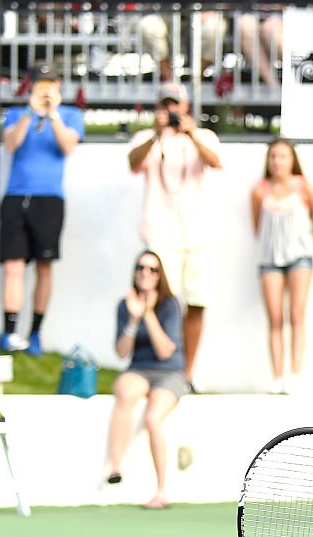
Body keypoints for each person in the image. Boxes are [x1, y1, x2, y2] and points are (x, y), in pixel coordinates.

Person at [127, 81, 222, 391]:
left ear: (185, 107)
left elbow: (215, 162)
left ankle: (188, 372)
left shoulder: (201, 136)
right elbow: (133, 163)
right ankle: (158, 369)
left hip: (196, 234)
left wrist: (190, 133)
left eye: (175, 105)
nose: (170, 110)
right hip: (160, 233)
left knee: (196, 302)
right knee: (159, 302)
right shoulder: (147, 137)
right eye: (165, 105)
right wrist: (157, 134)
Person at [0, 61, 84, 356]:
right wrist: (31, 113)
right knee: (13, 265)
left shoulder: (71, 115)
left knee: (44, 267)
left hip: (49, 200)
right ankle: (9, 334)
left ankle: (34, 333)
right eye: (40, 83)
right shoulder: (16, 114)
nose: (46, 88)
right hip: (15, 196)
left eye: (51, 83)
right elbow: (10, 144)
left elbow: (68, 146)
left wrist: (53, 114)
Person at [104, 251, 187, 510]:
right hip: (139, 368)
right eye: (141, 267)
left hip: (169, 371)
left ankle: (161, 490)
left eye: (152, 269)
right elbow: (121, 351)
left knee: (153, 418)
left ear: (159, 275)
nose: (145, 273)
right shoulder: (125, 305)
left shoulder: (170, 304)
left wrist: (148, 314)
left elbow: (165, 351)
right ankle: (115, 467)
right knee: (125, 393)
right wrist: (133, 317)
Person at [251, 139, 313, 394]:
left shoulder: (304, 188)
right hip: (270, 259)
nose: (277, 162)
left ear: (292, 159)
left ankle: (294, 373)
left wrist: (307, 249)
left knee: (297, 314)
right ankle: (278, 375)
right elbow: (258, 227)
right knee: (275, 317)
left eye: (282, 156)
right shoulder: (260, 191)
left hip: (299, 259)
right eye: (273, 156)